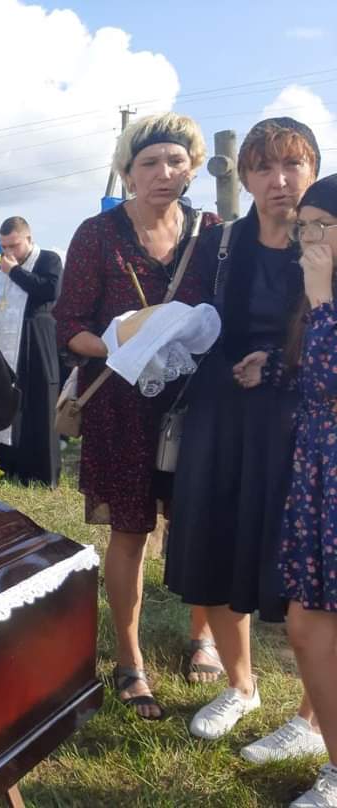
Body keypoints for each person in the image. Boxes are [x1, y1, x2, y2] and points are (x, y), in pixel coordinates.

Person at [165, 119, 325, 747]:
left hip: (300, 422)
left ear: (313, 170)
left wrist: (279, 363)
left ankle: (314, 717)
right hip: (222, 413)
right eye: (263, 168)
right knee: (217, 541)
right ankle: (241, 684)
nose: (279, 180)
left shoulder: (326, 239)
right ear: (247, 177)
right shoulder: (221, 243)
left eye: (292, 165)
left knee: (306, 569)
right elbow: (197, 319)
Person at [53, 112, 217, 720]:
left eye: (176, 161)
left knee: (198, 521)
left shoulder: (211, 232)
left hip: (195, 402)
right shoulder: (98, 235)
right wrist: (123, 346)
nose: (163, 173)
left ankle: (205, 636)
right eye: (149, 163)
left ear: (192, 167)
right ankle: (130, 658)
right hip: (120, 404)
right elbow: (69, 326)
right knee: (130, 532)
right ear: (127, 172)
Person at [279, 174, 337, 808]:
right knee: (308, 621)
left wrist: (320, 297)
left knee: (313, 621)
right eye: (304, 227)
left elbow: (330, 378)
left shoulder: (322, 293)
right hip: (320, 470)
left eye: (323, 225)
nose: (310, 238)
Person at [0, 217, 62, 486]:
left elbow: (50, 291)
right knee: (6, 403)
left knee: (38, 406)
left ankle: (40, 474)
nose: (8, 252)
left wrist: (15, 272)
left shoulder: (48, 259)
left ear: (29, 239)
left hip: (35, 342)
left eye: (14, 245)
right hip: (3, 349)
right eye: (4, 247)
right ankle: (7, 467)